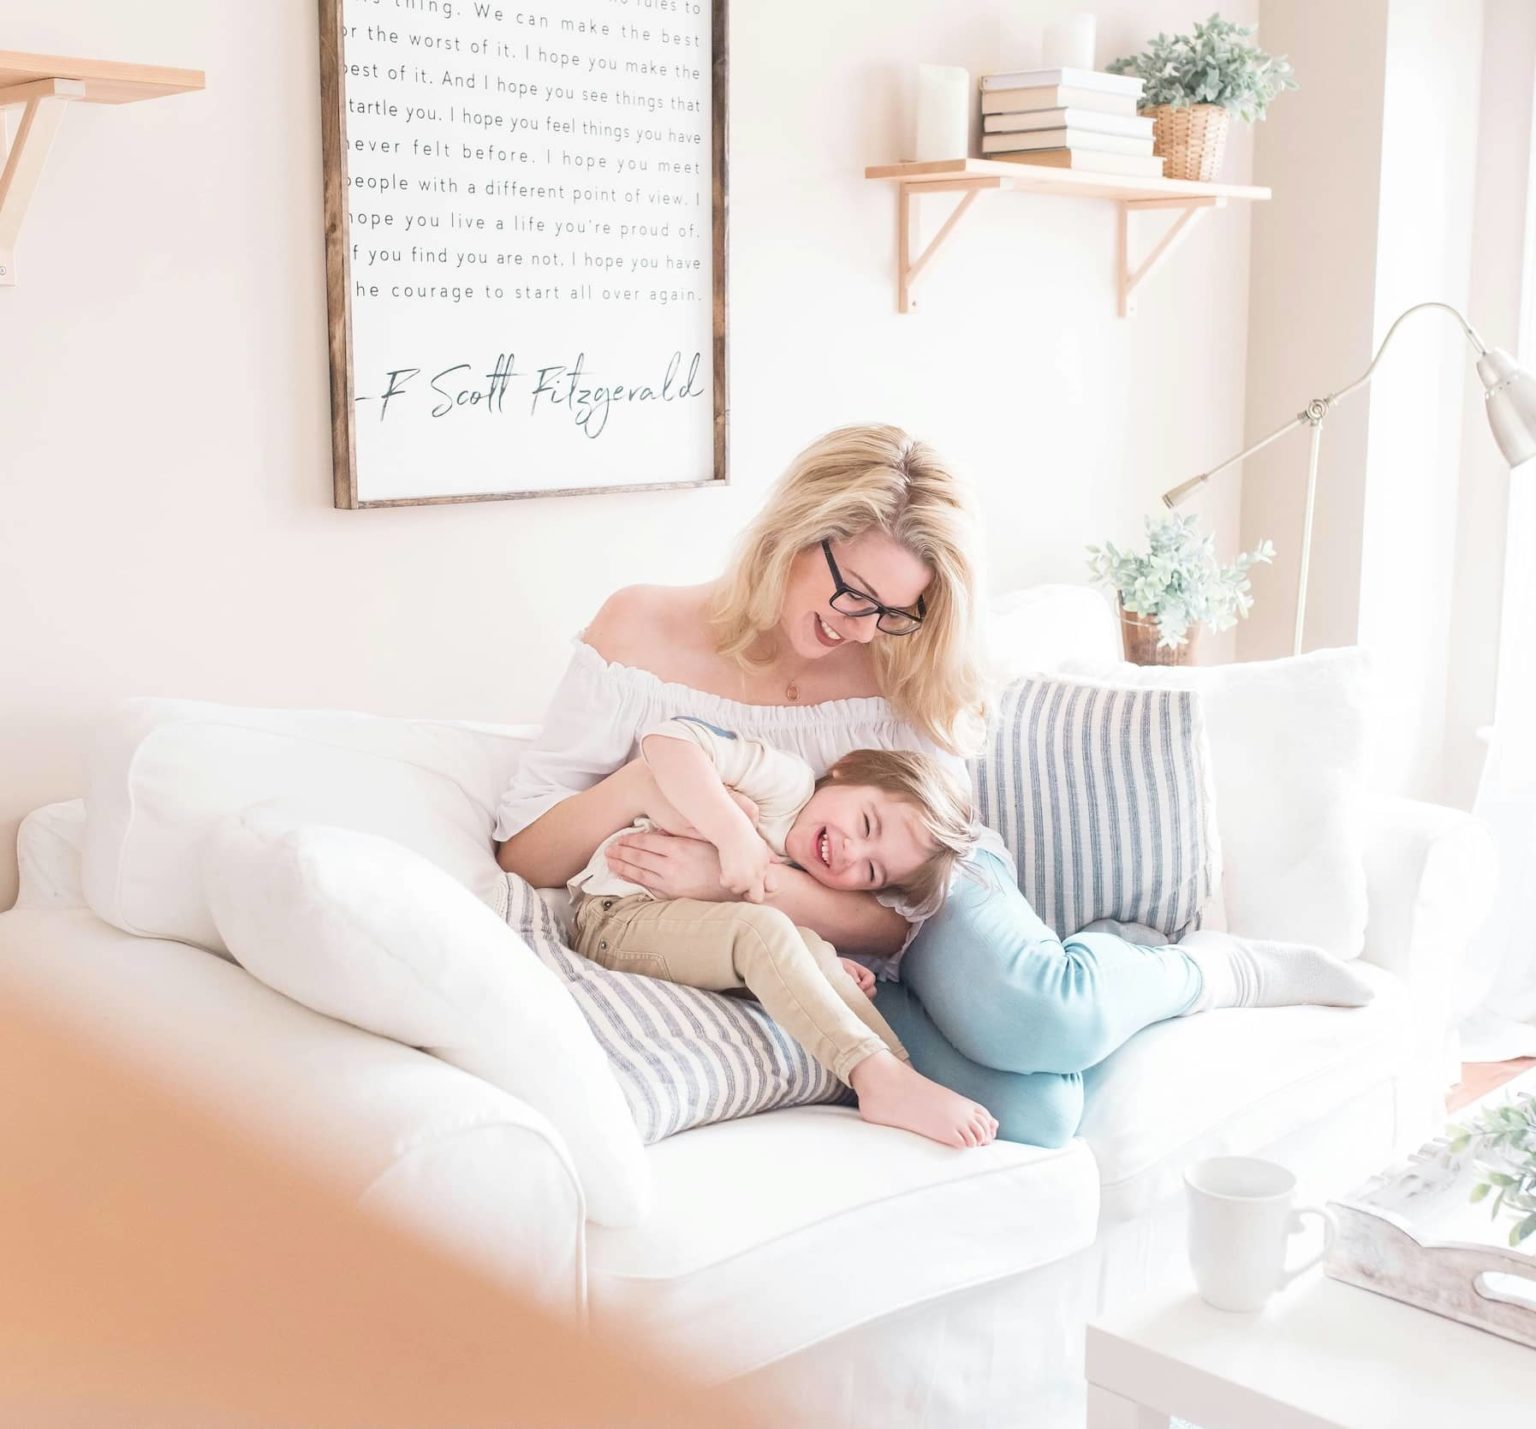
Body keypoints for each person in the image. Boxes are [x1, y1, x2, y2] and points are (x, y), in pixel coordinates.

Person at [495, 423, 1373, 1149]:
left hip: (922, 877)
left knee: (1046, 1016)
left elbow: (899, 912)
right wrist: (646, 789)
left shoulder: (897, 659)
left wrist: (748, 881)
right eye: (852, 593)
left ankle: (1205, 970)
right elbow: (523, 853)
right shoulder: (641, 630)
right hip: (803, 940)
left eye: (891, 611)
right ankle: (1090, 970)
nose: (859, 630)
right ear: (794, 534)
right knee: (1037, 1115)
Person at [567, 714, 989, 1147]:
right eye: (866, 824)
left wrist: (818, 967)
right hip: (616, 915)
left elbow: (747, 937)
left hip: (682, 937)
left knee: (812, 949)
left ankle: (898, 1075)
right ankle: (874, 1077)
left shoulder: (807, 873)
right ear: (847, 769)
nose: (852, 852)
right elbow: (667, 739)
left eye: (871, 871)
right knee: (763, 928)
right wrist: (733, 834)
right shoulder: (786, 785)